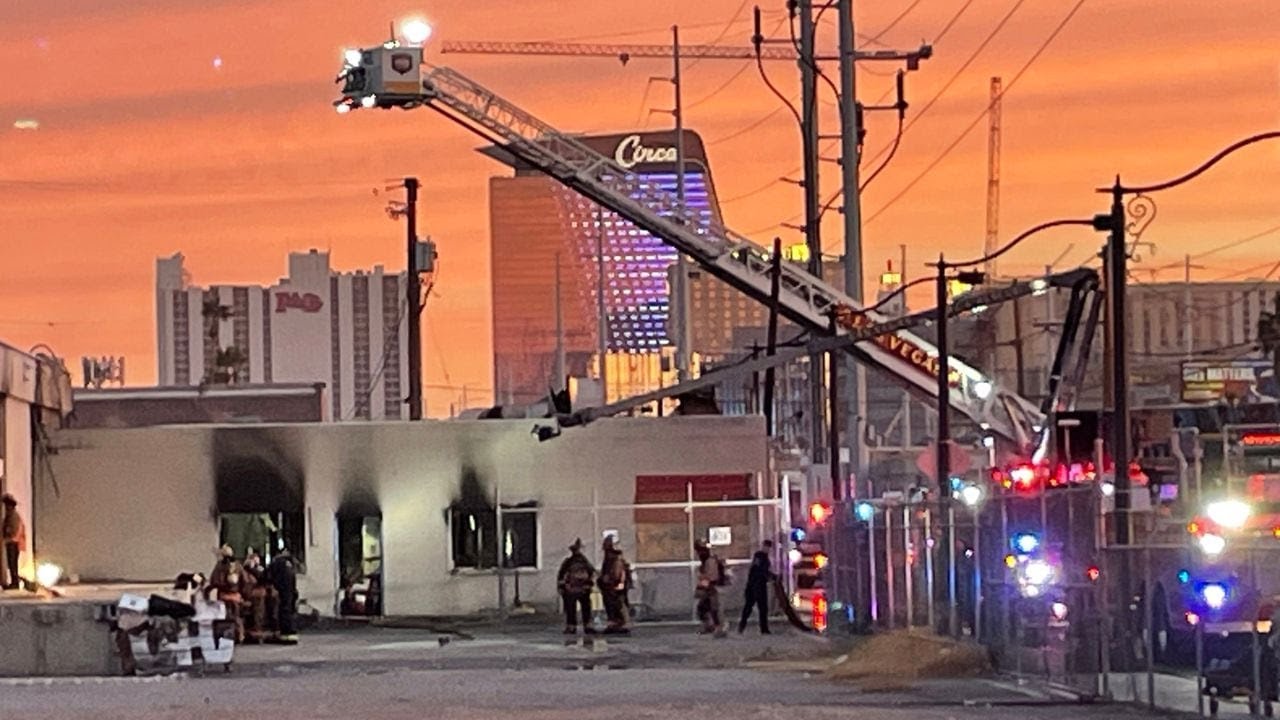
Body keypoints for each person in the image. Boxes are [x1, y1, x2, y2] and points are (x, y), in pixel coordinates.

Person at [557, 539, 596, 635]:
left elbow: (561, 575)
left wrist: (562, 587)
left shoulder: (569, 562)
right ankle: (586, 626)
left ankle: (573, 626)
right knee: (583, 607)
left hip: (573, 589)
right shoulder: (584, 562)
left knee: (573, 608)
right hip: (580, 589)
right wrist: (589, 585)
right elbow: (592, 573)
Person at [208, 545, 245, 642]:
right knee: (236, 616)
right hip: (235, 595)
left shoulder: (220, 566)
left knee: (224, 615)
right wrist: (242, 594)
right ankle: (239, 635)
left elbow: (214, 580)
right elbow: (244, 581)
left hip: (223, 595)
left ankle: (227, 634)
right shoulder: (238, 566)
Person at [738, 539, 774, 634]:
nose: (767, 549)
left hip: (757, 584)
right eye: (766, 547)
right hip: (756, 585)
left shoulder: (763, 557)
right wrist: (770, 576)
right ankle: (745, 626)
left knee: (757, 607)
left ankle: (761, 628)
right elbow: (760, 570)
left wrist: (770, 576)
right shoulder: (760, 556)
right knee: (753, 607)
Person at [599, 536, 631, 634]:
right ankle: (613, 624)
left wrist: (619, 583)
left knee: (618, 604)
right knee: (610, 605)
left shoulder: (616, 559)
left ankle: (622, 624)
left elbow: (620, 573)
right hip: (609, 586)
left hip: (615, 586)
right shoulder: (609, 559)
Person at [694, 540, 726, 637]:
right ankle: (710, 626)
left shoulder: (710, 561)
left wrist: (703, 585)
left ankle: (718, 628)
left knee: (714, 609)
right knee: (703, 609)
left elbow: (712, 577)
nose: (699, 553)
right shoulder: (706, 561)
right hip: (709, 588)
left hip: (713, 588)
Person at [268, 548, 300, 644]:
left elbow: (268, 576)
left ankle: (285, 635)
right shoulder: (290, 564)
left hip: (283, 591)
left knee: (283, 611)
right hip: (291, 591)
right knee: (290, 610)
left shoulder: (277, 563)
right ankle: (291, 633)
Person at [2, 494, 24, 591]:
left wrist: (7, 536)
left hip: (13, 543)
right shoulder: (11, 515)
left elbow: (14, 530)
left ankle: (15, 582)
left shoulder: (13, 516)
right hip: (11, 542)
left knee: (13, 563)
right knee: (11, 564)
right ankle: (14, 581)